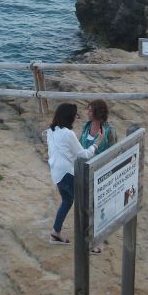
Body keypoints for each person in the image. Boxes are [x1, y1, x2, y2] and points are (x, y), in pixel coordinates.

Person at [45, 103, 104, 250]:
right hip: (67, 174)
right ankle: (89, 243)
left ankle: (55, 233)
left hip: (57, 174)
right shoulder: (68, 133)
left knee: (67, 200)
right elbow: (83, 155)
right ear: (69, 117)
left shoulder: (50, 131)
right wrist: (96, 144)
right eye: (75, 115)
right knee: (86, 205)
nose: (76, 118)